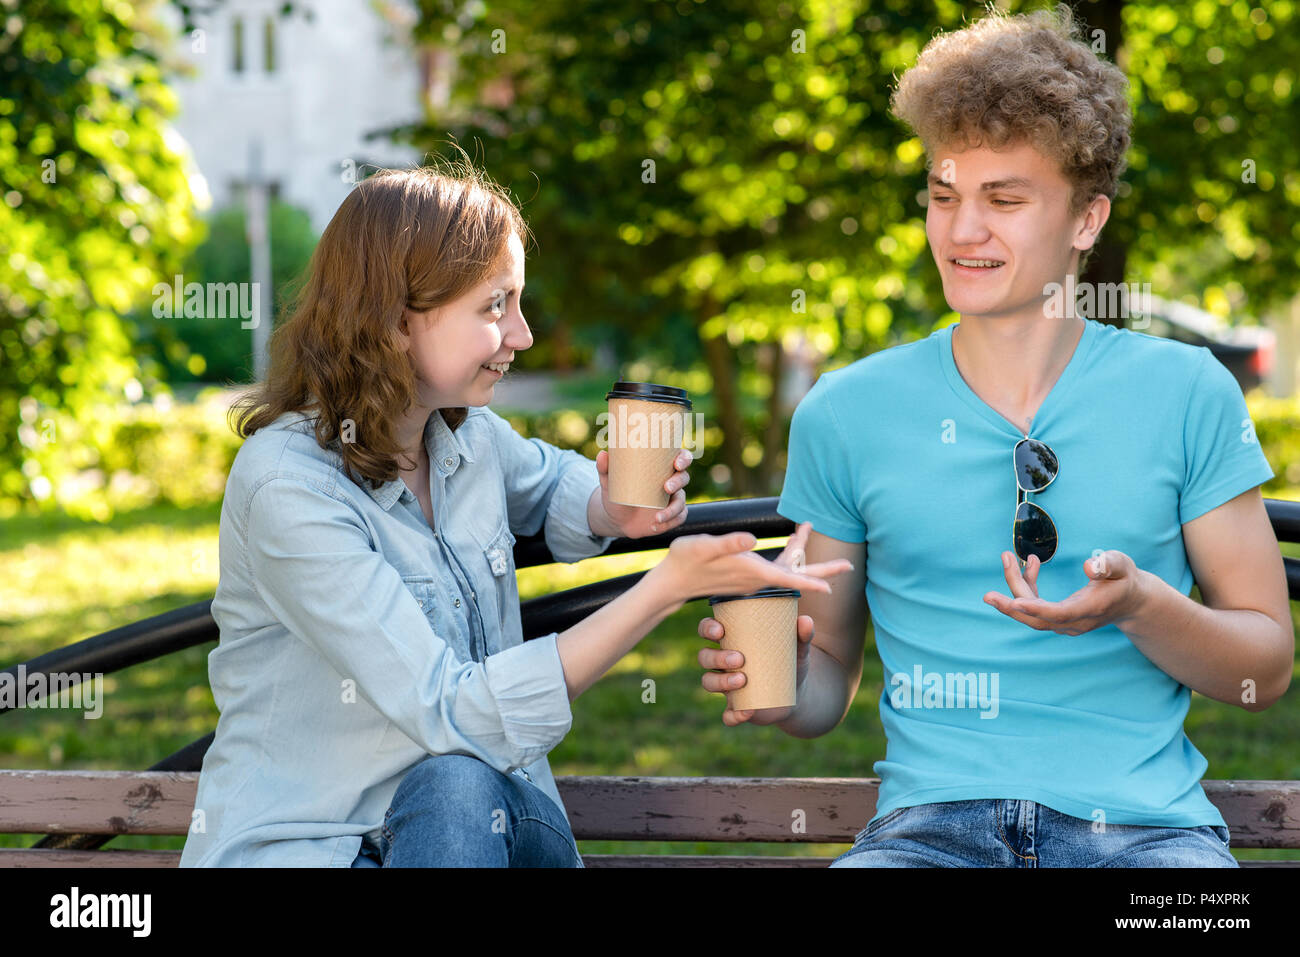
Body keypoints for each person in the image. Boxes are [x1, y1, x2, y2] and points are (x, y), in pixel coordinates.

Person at [697, 4, 1293, 867]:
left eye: (1003, 200)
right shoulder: (846, 411)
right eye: (944, 196)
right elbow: (826, 678)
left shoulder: (1187, 391)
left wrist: (1139, 606)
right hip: (928, 836)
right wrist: (774, 684)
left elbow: (1264, 668)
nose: (962, 231)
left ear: (1087, 220)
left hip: (1150, 838)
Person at [178, 159, 851, 867]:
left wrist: (614, 507)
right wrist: (664, 588)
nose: (524, 334)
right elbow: (453, 713)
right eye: (495, 305)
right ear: (399, 320)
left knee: (459, 792)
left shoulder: (464, 435)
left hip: (489, 833)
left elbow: (553, 486)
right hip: (313, 848)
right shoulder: (289, 487)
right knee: (453, 780)